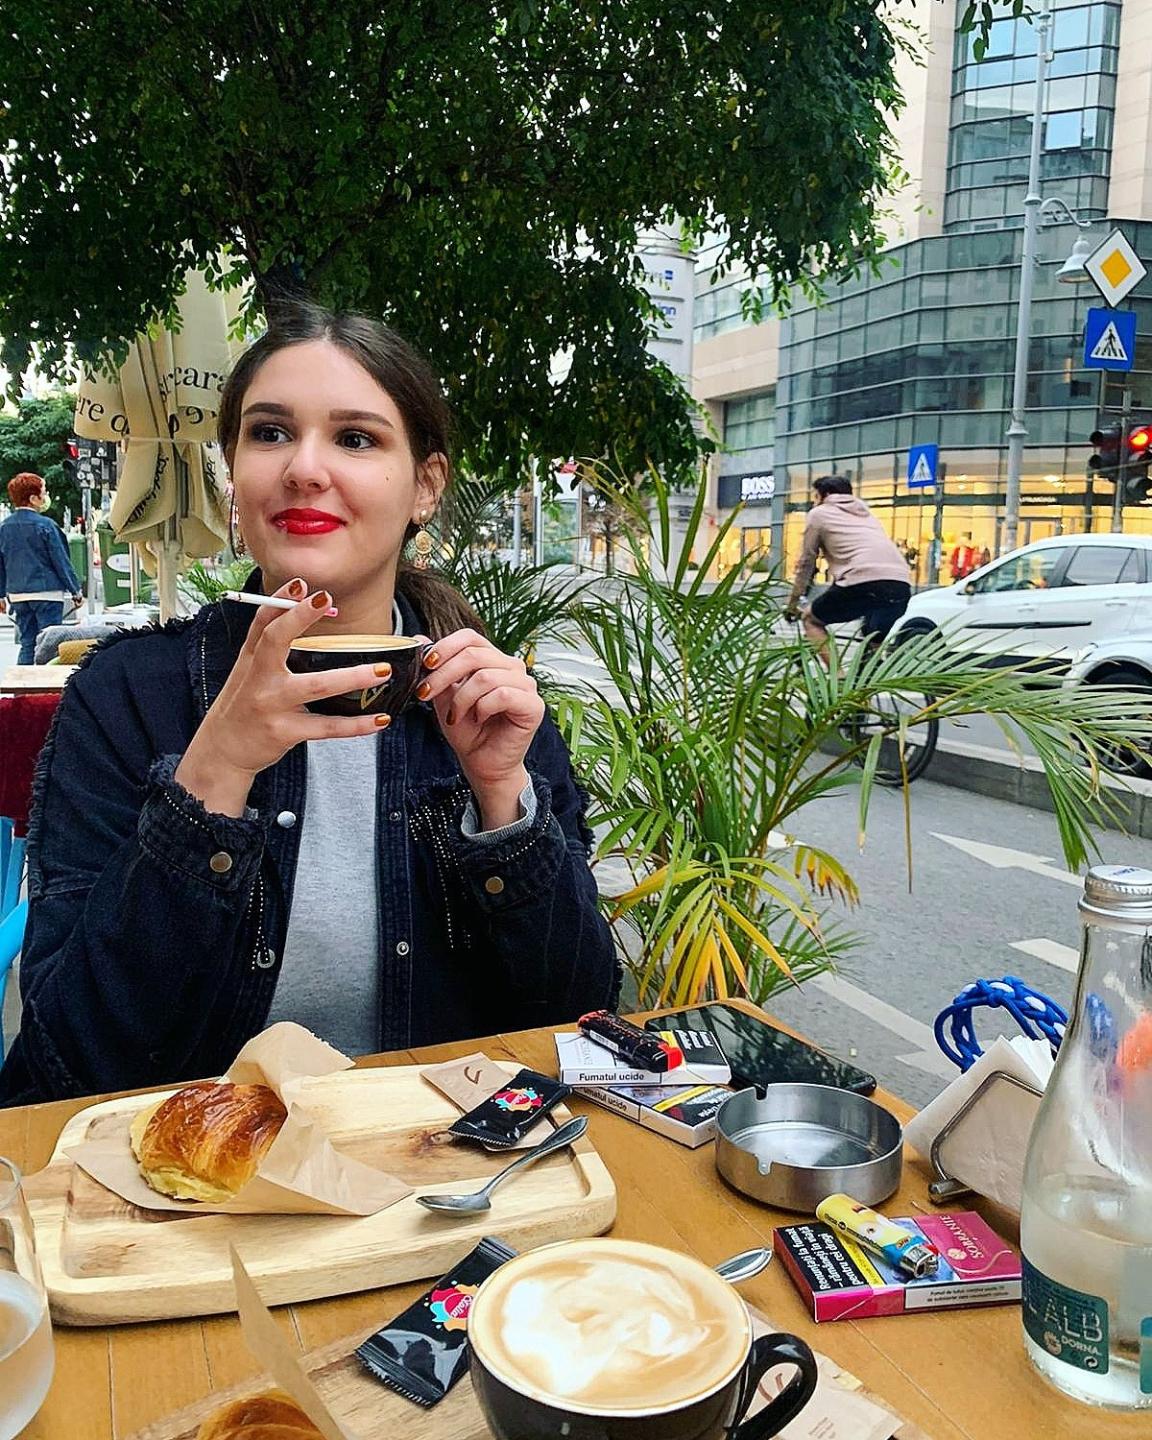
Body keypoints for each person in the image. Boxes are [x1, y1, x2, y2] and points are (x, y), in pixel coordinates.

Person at [0, 305, 619, 1105]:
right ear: (234, 468)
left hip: (432, 1159)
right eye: (270, 433)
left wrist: (503, 801)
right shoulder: (125, 696)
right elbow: (73, 1055)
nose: (304, 468)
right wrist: (212, 776)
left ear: (426, 486)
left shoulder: (486, 705)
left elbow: (578, 1016)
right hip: (177, 1166)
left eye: (356, 438)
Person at [783, 475, 912, 649]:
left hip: (861, 581)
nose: (814, 502)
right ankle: (872, 665)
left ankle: (837, 668)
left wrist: (792, 603)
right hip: (900, 584)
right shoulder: (867, 515)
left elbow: (807, 562)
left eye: (816, 497)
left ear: (825, 495)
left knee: (811, 620)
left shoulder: (818, 513)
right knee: (873, 638)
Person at [0, 472, 83, 663]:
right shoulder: (46, 525)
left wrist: (1, 595)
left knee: (27, 643)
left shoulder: (4, 527)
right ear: (33, 499)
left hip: (18, 595)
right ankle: (46, 680)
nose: (46, 497)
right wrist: (75, 590)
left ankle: (24, 681)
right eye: (44, 493)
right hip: (47, 593)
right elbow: (60, 560)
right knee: (49, 644)